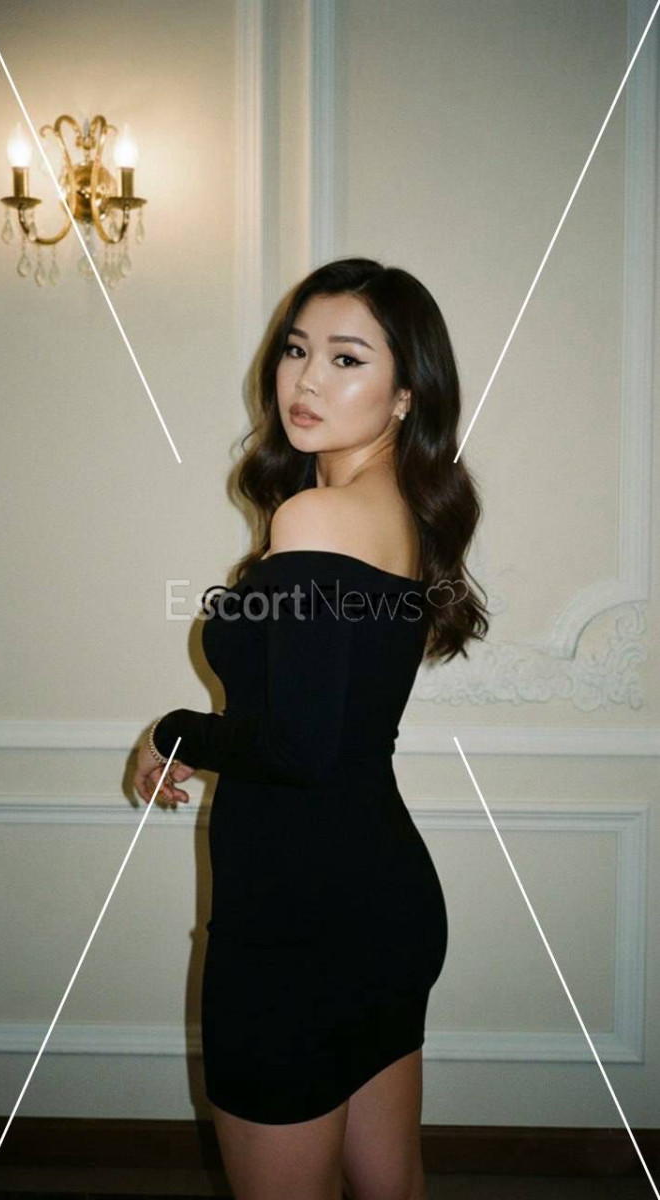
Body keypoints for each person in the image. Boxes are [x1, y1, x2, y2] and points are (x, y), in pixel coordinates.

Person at [132, 258, 489, 1200]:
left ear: (406, 393)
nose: (306, 380)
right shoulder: (397, 512)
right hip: (377, 900)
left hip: (295, 917)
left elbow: (296, 749)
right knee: (390, 1187)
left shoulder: (318, 518)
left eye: (346, 358)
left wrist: (175, 729)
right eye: (296, 351)